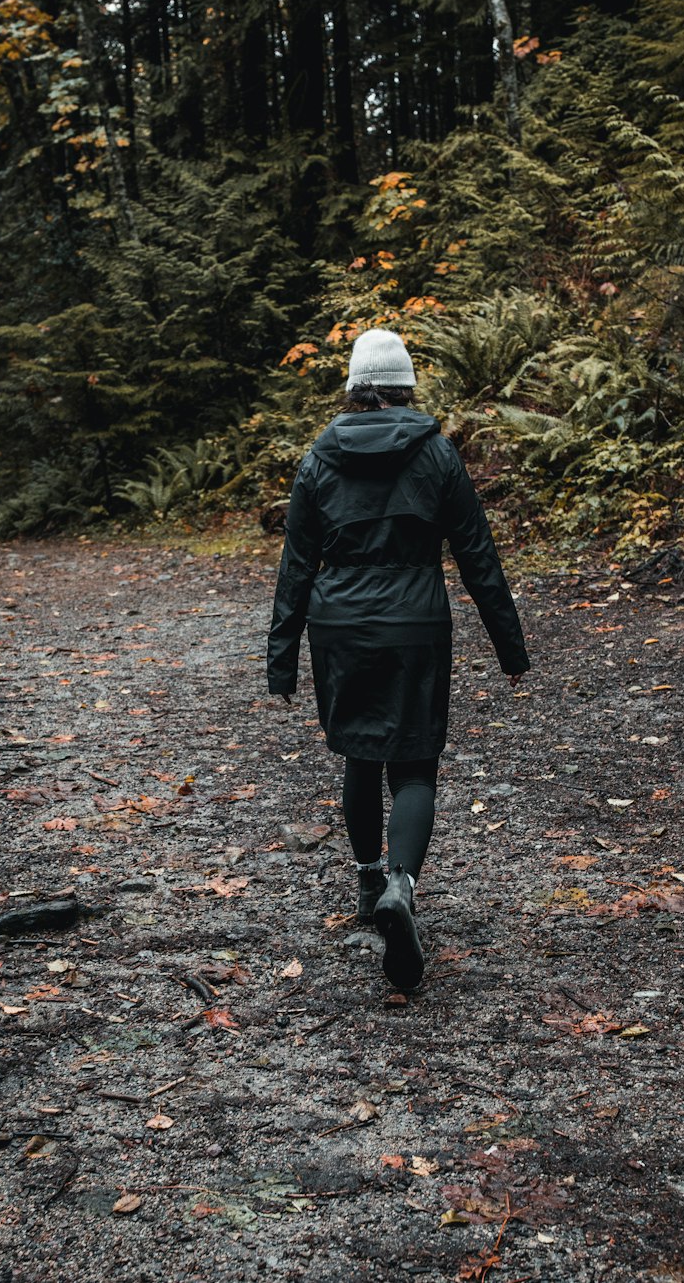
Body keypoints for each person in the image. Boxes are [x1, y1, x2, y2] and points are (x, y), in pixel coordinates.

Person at [267, 327, 529, 990]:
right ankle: (401, 886)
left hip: (340, 625)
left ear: (354, 388)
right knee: (413, 766)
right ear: (409, 388)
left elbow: (296, 567)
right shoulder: (436, 454)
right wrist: (510, 645)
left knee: (360, 750)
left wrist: (281, 660)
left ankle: (366, 885)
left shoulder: (319, 459)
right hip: (416, 622)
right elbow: (478, 555)